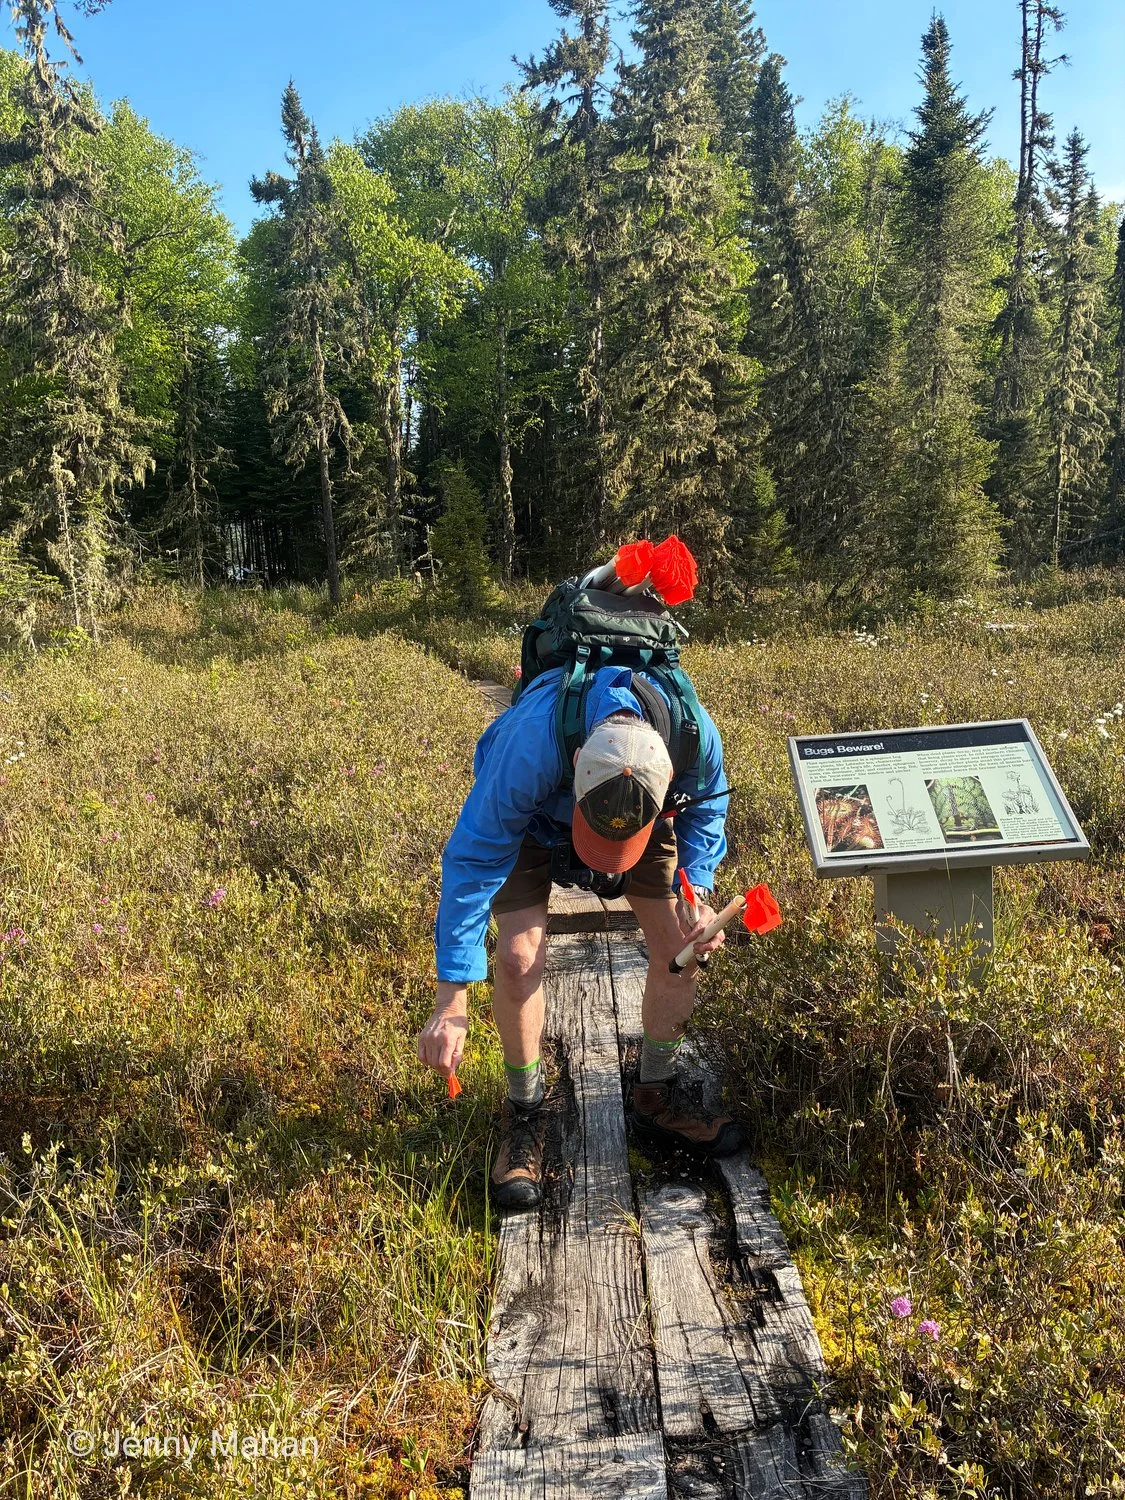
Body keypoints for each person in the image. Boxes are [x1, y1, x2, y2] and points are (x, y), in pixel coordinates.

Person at [416, 661, 744, 1209]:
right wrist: (451, 1001)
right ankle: (525, 1110)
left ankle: (655, 1093)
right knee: (519, 960)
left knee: (680, 954)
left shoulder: (691, 735)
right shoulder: (527, 746)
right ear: (575, 761)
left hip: (643, 819)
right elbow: (473, 861)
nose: (604, 866)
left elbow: (707, 810)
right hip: (537, 821)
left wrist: (696, 892)